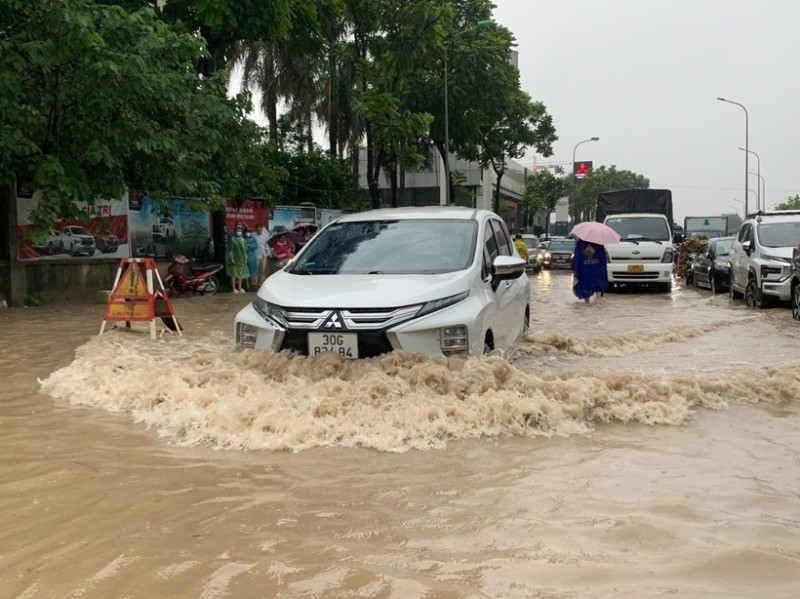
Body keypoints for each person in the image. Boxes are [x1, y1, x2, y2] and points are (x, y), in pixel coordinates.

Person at [571, 239, 608, 303]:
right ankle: (599, 300)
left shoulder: (580, 243)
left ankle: (587, 303)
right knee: (597, 284)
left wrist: (575, 268)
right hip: (595, 269)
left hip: (584, 270)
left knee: (585, 286)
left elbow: (577, 258)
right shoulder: (599, 243)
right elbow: (602, 259)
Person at [225, 225, 249, 293]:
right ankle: (233, 289)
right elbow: (230, 250)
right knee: (234, 275)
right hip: (234, 260)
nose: (239, 232)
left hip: (241, 260)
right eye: (237, 231)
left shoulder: (243, 240)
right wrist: (231, 258)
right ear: (235, 232)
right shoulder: (232, 240)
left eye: (240, 231)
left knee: (240, 274)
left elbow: (245, 250)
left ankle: (239, 288)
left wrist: (246, 258)